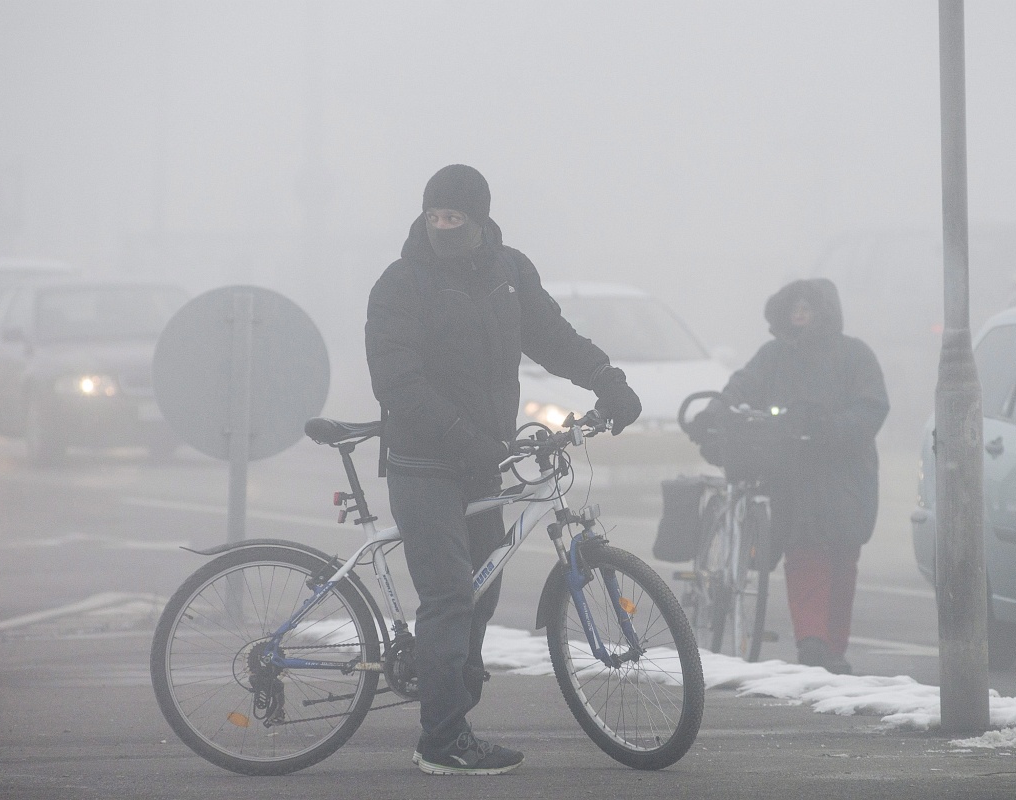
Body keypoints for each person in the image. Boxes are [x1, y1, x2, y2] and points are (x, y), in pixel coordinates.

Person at [364, 164, 642, 775]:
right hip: (424, 462)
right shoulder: (401, 283)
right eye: (434, 216)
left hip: (482, 461)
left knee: (482, 593)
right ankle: (439, 742)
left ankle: (453, 701)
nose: (443, 228)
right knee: (451, 598)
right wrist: (462, 438)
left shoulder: (509, 274)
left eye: (454, 217)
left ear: (480, 217)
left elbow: (555, 339)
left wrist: (609, 383)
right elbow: (397, 381)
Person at [687, 278, 888, 675]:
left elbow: (871, 408)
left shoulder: (855, 356)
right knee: (803, 551)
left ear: (824, 311)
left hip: (844, 475)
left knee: (843, 556)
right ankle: (813, 642)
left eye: (808, 306)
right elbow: (742, 386)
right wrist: (718, 410)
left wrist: (828, 428)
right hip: (791, 473)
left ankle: (833, 645)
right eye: (794, 305)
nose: (800, 312)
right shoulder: (773, 355)